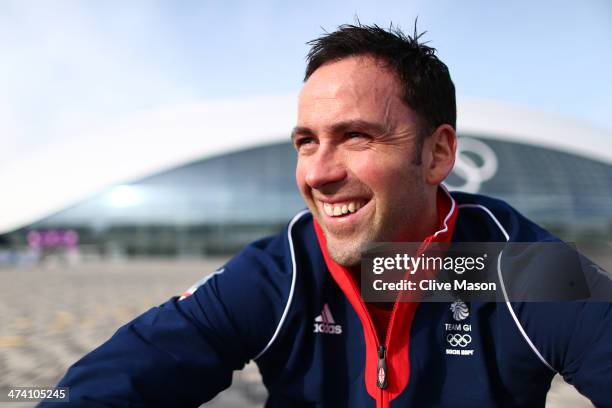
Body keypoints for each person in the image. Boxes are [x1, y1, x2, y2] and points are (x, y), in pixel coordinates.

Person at [41, 23, 612, 407]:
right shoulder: (281, 272)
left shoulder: (515, 267)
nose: (317, 173)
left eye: (355, 137)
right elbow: (115, 379)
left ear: (438, 154)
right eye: (306, 142)